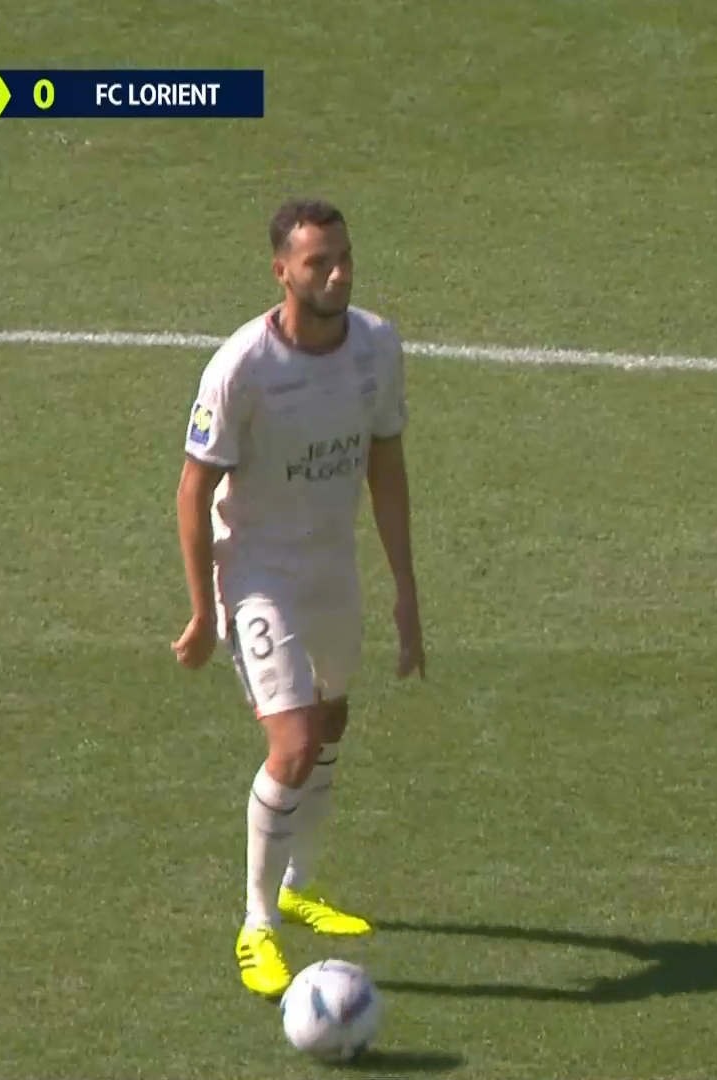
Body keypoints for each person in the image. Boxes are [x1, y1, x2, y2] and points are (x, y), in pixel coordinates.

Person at [171, 198, 426, 999]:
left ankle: (298, 886)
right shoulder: (242, 367)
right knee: (292, 743)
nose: (338, 273)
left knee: (333, 719)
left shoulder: (377, 345)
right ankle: (257, 927)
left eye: (345, 257)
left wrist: (406, 590)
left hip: (330, 566)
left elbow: (387, 467)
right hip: (257, 571)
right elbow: (193, 489)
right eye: (320, 262)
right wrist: (203, 610)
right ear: (282, 271)